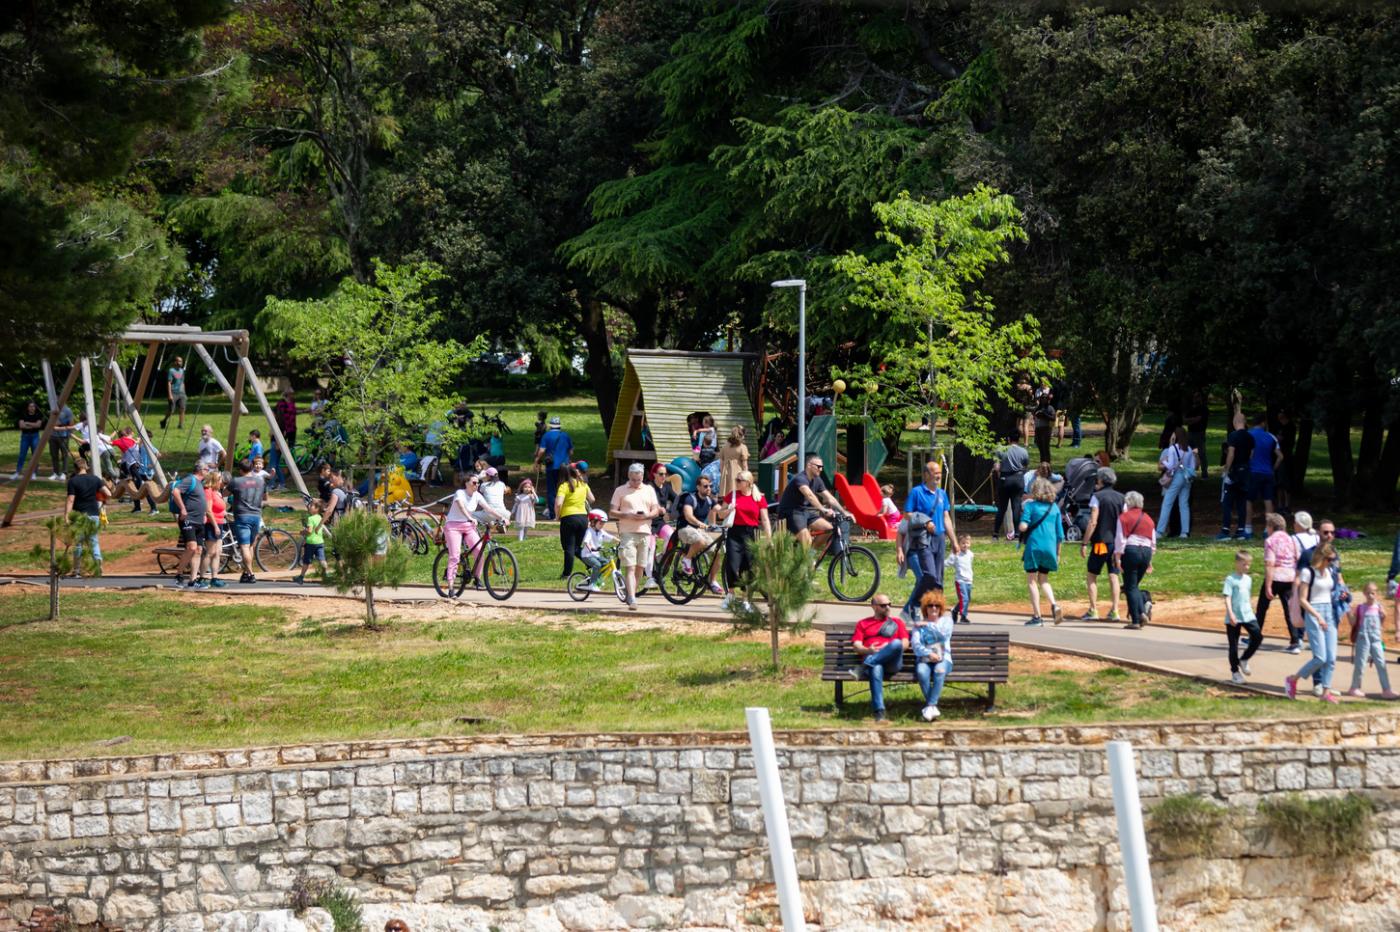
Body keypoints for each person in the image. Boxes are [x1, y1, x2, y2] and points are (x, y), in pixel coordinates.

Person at [1286, 544, 1342, 703]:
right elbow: (1303, 600)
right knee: (1320, 657)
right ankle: (1293, 679)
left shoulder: (1330, 572)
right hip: (1314, 612)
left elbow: (1332, 591)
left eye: (1333, 559)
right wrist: (1317, 616)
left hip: (1329, 612)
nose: (1332, 562)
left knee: (1331, 658)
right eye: (1329, 559)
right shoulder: (1308, 572)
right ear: (1321, 557)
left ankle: (1326, 692)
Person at [849, 594, 909, 723]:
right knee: (875, 667)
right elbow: (857, 645)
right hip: (873, 658)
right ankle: (879, 712)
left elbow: (904, 643)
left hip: (893, 662)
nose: (887, 607)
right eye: (883, 605)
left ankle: (864, 666)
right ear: (874, 607)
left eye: (889, 604)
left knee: (896, 643)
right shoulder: (863, 623)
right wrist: (868, 650)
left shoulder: (897, 623)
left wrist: (888, 649)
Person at [609, 462, 661, 610]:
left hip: (645, 531)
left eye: (638, 479)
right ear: (629, 476)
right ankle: (632, 598)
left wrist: (647, 515)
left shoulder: (649, 490)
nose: (636, 482)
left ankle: (630, 593)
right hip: (627, 532)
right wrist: (627, 514)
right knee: (630, 567)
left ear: (642, 476)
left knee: (640, 567)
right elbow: (612, 511)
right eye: (633, 480)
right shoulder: (620, 490)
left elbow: (655, 510)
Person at [720, 470, 771, 610]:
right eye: (736, 479)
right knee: (731, 563)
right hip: (734, 532)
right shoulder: (732, 495)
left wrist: (769, 538)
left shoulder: (758, 498)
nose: (736, 482)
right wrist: (729, 510)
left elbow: (765, 519)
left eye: (739, 480)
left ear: (748, 483)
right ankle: (730, 594)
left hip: (751, 533)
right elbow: (719, 513)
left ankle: (745, 600)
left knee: (747, 567)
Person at [905, 460, 957, 595]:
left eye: (940, 473)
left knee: (939, 577)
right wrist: (925, 522)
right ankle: (915, 605)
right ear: (926, 475)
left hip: (939, 538)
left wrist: (954, 541)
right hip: (923, 540)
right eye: (935, 473)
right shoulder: (917, 492)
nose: (939, 476)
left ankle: (936, 608)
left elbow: (946, 518)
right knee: (930, 575)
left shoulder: (942, 494)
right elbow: (907, 514)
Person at [1019, 477, 1065, 626]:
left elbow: (1023, 527)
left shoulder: (1030, 506)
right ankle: (1054, 604)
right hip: (1050, 548)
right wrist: (1058, 554)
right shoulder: (1055, 508)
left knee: (1032, 580)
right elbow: (1060, 535)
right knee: (1044, 579)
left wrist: (1021, 524)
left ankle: (1037, 616)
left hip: (1034, 546)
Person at [1080, 467, 1124, 622]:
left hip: (1100, 542)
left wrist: (1084, 542)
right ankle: (1115, 610)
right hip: (1116, 543)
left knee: (1092, 575)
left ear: (1101, 480)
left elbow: (1093, 521)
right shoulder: (1122, 498)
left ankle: (1093, 610)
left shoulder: (1096, 497)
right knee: (1114, 575)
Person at [777, 454, 847, 548]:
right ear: (809, 465)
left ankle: (809, 554)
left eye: (822, 467)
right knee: (807, 540)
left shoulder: (817, 480)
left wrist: (844, 512)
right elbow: (810, 496)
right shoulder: (800, 478)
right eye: (818, 467)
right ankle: (807, 558)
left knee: (829, 529)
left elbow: (830, 498)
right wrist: (823, 509)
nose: (821, 469)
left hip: (805, 512)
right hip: (791, 512)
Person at [1114, 490, 1157, 630]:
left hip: (1131, 550)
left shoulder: (1124, 517)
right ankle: (1142, 613)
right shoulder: (1149, 518)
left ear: (1128, 502)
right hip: (1146, 552)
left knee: (1130, 586)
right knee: (1133, 586)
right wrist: (1150, 559)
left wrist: (1118, 557)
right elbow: (1153, 541)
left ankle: (1136, 619)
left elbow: (1120, 539)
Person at [676, 474, 725, 595]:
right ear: (698, 487)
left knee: (717, 552)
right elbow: (688, 515)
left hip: (698, 530)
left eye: (710, 486)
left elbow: (721, 511)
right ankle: (686, 560)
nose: (708, 488)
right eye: (705, 486)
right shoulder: (690, 498)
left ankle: (712, 581)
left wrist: (732, 508)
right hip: (685, 528)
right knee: (700, 542)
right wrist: (699, 523)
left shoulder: (710, 500)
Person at [1257, 513, 1300, 651]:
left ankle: (1255, 637)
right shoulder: (1292, 539)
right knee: (1289, 609)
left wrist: (1268, 586)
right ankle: (1295, 641)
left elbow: (1270, 564)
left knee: (1262, 607)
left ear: (1271, 526)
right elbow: (1297, 558)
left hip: (1276, 576)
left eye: (1267, 526)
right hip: (1290, 577)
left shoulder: (1270, 541)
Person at [1346, 583, 1397, 699]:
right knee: (1360, 663)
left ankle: (1386, 689)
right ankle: (1354, 687)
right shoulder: (1360, 608)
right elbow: (1353, 623)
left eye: (1373, 593)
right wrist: (1348, 610)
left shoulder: (1379, 607)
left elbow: (1381, 623)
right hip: (1363, 638)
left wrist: (1383, 617)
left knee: (1381, 663)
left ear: (1377, 593)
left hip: (1376, 639)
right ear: (1364, 593)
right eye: (1368, 593)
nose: (1370, 595)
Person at [912, 590, 954, 721]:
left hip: (943, 659)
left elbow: (943, 635)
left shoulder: (947, 621)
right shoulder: (918, 625)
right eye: (930, 605)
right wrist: (929, 653)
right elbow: (916, 645)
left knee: (939, 670)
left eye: (937, 605)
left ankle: (930, 705)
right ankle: (932, 707)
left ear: (941, 608)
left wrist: (928, 624)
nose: (934, 608)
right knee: (921, 671)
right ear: (925, 608)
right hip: (925, 659)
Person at [64, 458, 109, 576]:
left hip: (79, 515)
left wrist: (67, 516)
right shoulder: (95, 479)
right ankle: (97, 562)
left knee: (78, 543)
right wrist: (101, 498)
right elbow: (108, 493)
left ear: (75, 468)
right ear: (86, 467)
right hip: (94, 514)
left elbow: (70, 499)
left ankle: (76, 570)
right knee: (93, 541)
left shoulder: (73, 481)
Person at [1284, 511, 1321, 656]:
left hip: (1301, 575)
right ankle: (1313, 640)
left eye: (1295, 522)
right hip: (1316, 575)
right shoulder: (1317, 538)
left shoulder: (1293, 539)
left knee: (1299, 607)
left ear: (1299, 524)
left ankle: (1298, 639)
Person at [442, 473, 488, 589]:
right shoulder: (460, 493)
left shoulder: (477, 495)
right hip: (453, 526)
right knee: (455, 555)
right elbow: (462, 507)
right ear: (466, 483)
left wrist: (502, 518)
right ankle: (451, 587)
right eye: (474, 482)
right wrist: (470, 517)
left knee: (479, 551)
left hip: (468, 526)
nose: (476, 485)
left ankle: (477, 578)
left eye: (478, 483)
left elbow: (488, 508)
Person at [1223, 550, 1262, 685]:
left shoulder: (1248, 579)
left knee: (1257, 636)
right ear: (1237, 563)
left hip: (1247, 614)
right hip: (1233, 617)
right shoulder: (1230, 579)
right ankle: (1235, 672)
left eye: (1248, 565)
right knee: (1233, 645)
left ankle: (1244, 659)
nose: (1247, 567)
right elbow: (1227, 597)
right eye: (1244, 564)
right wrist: (1231, 614)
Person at [1217, 411, 1254, 540]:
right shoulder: (1250, 437)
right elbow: (1251, 455)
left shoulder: (1233, 436)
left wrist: (1227, 469)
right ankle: (1240, 530)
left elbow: (1231, 453)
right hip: (1246, 471)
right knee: (1241, 502)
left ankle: (1225, 531)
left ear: (1235, 422)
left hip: (1235, 471)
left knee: (1227, 502)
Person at [228, 459, 267, 584]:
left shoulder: (236, 481)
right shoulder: (261, 481)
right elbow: (265, 497)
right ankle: (246, 572)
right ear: (251, 468)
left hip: (242, 515)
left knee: (244, 546)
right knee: (250, 545)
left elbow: (224, 493)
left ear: (240, 470)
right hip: (256, 516)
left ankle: (251, 574)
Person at [1156, 427, 1198, 539]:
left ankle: (1159, 531)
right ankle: (1185, 532)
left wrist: (1163, 460)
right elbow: (1192, 466)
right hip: (1187, 478)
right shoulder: (1188, 449)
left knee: (1167, 503)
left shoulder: (1172, 449)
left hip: (1176, 477)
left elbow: (1169, 466)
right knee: (1184, 504)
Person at [170, 463, 208, 587]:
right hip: (188, 519)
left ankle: (193, 580)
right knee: (191, 547)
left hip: (199, 521)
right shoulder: (190, 479)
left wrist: (204, 514)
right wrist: (182, 509)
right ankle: (179, 575)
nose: (208, 472)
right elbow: (176, 492)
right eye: (207, 469)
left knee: (198, 550)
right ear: (200, 470)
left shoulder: (200, 484)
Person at [642, 463, 678, 591]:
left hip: (660, 522)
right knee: (650, 548)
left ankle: (661, 556)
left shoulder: (667, 487)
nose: (664, 476)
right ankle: (650, 577)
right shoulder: (648, 488)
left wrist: (681, 506)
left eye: (665, 474)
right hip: (648, 523)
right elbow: (647, 503)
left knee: (672, 536)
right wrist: (657, 508)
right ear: (654, 475)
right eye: (661, 474)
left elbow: (677, 499)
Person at [554, 463, 594, 579]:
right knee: (576, 547)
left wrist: (557, 516)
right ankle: (591, 563)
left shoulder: (564, 486)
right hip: (583, 518)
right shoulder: (583, 484)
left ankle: (566, 574)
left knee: (569, 548)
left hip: (569, 518)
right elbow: (592, 499)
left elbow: (558, 503)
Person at [1247, 413, 1283, 531]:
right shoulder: (1271, 437)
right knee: (1268, 500)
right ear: (1263, 423)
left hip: (1253, 472)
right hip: (1267, 472)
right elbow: (1280, 457)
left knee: (1248, 500)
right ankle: (1268, 529)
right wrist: (1273, 469)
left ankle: (1248, 528)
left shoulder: (1248, 435)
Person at [990, 432, 1030, 540]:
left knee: (1002, 508)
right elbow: (1025, 466)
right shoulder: (1024, 451)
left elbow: (997, 467)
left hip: (1005, 479)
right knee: (1016, 507)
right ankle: (1017, 533)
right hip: (1018, 479)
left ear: (1008, 439)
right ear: (1019, 439)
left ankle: (995, 533)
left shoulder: (1001, 450)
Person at [534, 416, 573, 520]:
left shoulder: (546, 436)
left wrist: (537, 460)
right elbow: (571, 451)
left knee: (552, 491)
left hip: (551, 466)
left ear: (550, 426)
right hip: (564, 467)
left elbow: (542, 450)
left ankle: (553, 515)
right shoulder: (566, 436)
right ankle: (565, 513)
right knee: (564, 488)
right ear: (559, 426)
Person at [195, 469, 228, 590]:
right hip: (211, 524)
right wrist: (214, 525)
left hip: (220, 523)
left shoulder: (217, 491)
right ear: (215, 480)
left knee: (217, 552)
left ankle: (215, 577)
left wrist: (225, 513)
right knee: (210, 552)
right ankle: (202, 577)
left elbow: (219, 508)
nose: (221, 481)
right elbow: (208, 510)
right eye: (219, 479)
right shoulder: (208, 491)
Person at [580, 509, 617, 591]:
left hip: (595, 555)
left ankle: (597, 580)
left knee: (607, 563)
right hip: (587, 555)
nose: (602, 525)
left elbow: (609, 537)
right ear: (593, 522)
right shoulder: (589, 531)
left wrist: (619, 541)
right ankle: (592, 584)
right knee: (597, 565)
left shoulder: (601, 532)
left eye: (603, 523)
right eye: (600, 523)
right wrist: (591, 548)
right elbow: (586, 541)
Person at [293, 500, 329, 585]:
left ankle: (301, 577)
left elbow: (309, 531)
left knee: (306, 561)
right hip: (320, 542)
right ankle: (325, 576)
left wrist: (302, 532)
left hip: (311, 543)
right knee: (322, 559)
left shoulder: (310, 518)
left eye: (312, 506)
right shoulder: (320, 517)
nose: (309, 507)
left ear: (317, 509)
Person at [270, 389, 297, 490]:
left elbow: (282, 433)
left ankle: (272, 484)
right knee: (275, 464)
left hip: (276, 442)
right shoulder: (282, 421)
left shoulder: (280, 422)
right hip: (277, 441)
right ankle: (282, 484)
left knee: (273, 464)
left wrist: (277, 442)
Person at [12, 400, 43, 479]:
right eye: (30, 406)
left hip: (35, 436)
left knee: (35, 454)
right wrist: (33, 425)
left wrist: (27, 423)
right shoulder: (23, 414)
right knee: (22, 454)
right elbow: (21, 426)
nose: (32, 408)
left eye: (33, 406)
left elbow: (38, 425)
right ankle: (17, 472)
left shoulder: (38, 415)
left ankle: (34, 473)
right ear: (28, 407)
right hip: (25, 436)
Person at [718, 426, 750, 498]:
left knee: (727, 498)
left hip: (725, 474)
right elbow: (745, 465)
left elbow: (721, 463)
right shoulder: (742, 447)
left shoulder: (724, 446)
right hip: (738, 474)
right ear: (741, 435)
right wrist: (747, 478)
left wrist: (722, 474)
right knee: (738, 497)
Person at [1183, 391, 1209, 478]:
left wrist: (1191, 420)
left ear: (1201, 398)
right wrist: (1193, 420)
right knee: (1187, 452)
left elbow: (1198, 419)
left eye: (1197, 396)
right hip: (1190, 433)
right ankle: (1188, 471)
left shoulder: (1204, 409)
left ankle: (1204, 473)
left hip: (1199, 433)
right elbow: (1185, 420)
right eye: (1194, 397)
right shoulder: (1191, 409)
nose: (1195, 399)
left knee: (1202, 453)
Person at [950, 534, 974, 625]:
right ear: (959, 544)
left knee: (967, 599)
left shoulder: (971, 554)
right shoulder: (956, 554)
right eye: (963, 543)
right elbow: (949, 562)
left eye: (967, 543)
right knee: (964, 598)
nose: (965, 545)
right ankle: (963, 616)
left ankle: (955, 611)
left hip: (969, 580)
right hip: (960, 580)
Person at [48, 402, 74, 481]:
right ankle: (55, 473)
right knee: (54, 455)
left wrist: (69, 433)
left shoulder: (67, 410)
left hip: (64, 436)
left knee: (64, 455)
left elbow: (71, 423)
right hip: (52, 436)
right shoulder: (53, 409)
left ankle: (64, 473)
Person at [160, 357, 187, 431]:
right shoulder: (171, 371)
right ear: (175, 362)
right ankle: (164, 421)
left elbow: (182, 382)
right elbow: (169, 383)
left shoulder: (182, 371)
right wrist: (170, 394)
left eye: (181, 361)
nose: (180, 363)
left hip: (181, 393)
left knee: (182, 409)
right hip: (173, 392)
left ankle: (180, 425)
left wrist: (184, 393)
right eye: (179, 361)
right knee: (171, 410)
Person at [1031, 383, 1055, 463]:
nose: (1043, 399)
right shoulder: (1038, 407)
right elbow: (1034, 413)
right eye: (1042, 398)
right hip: (1038, 429)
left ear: (1048, 399)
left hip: (1046, 429)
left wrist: (1044, 415)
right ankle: (1042, 462)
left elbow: (1053, 418)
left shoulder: (1050, 408)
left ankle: (1047, 463)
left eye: (1045, 398)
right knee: (1040, 447)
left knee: (1046, 447)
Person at [512, 477, 536, 542]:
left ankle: (524, 538)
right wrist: (512, 512)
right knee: (521, 527)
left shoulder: (531, 496)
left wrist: (534, 492)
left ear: (531, 488)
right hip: (521, 513)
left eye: (529, 487)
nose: (527, 489)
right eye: (525, 487)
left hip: (528, 512)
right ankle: (520, 540)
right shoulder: (519, 496)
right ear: (522, 488)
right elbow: (515, 504)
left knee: (526, 527)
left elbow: (537, 500)